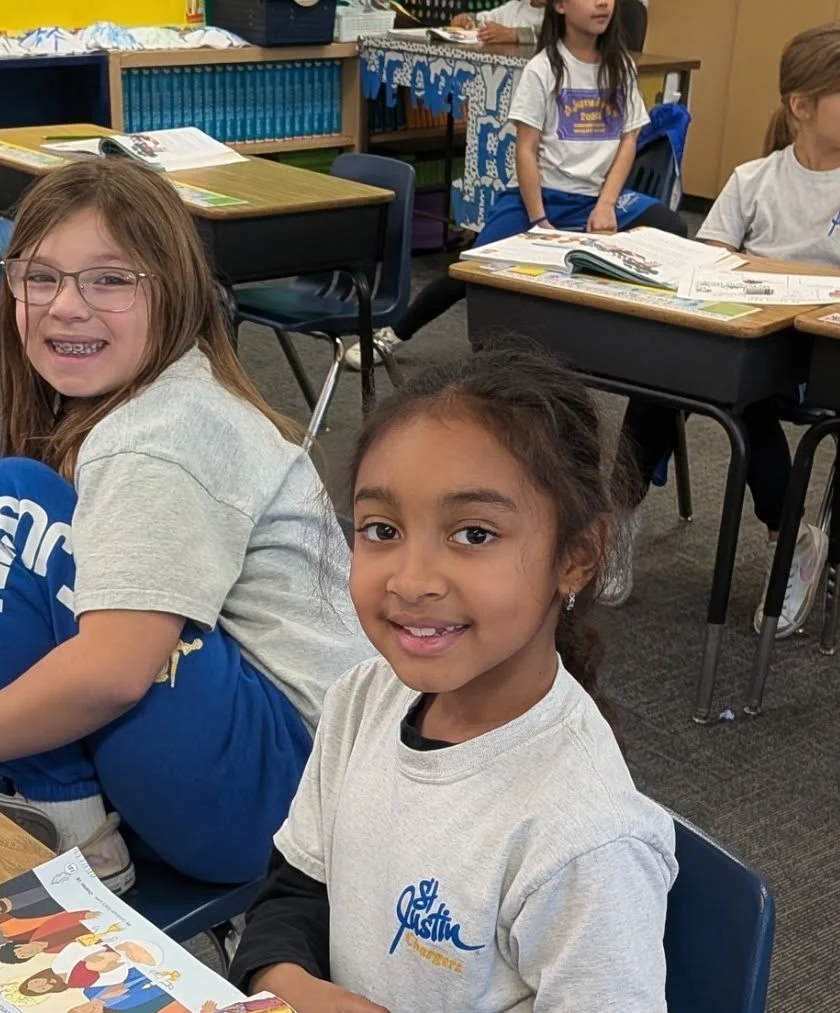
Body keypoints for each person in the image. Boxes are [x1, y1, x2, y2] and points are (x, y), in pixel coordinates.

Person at [228, 346, 675, 1013]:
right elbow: (296, 882)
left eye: (474, 534)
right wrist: (282, 980)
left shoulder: (582, 832)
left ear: (575, 558)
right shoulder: (365, 697)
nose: (412, 578)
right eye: (380, 529)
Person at [0, 157, 366, 894]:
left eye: (110, 280)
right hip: (257, 770)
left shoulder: (158, 435)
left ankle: (71, 827)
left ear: (171, 292)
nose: (66, 306)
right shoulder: (153, 400)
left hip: (280, 802)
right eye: (39, 276)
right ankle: (47, 786)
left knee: (3, 506)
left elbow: (111, 673)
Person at [614, 22, 840, 630]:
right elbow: (704, 263)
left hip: (818, 359)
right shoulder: (755, 179)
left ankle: (789, 541)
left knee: (745, 398)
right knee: (667, 366)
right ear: (802, 106)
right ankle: (618, 514)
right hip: (748, 342)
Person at [346, 0, 686, 372]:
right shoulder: (543, 69)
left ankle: (644, 346)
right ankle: (392, 334)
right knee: (471, 267)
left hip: (598, 198)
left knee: (672, 227)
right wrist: (539, 220)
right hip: (538, 197)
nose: (603, 2)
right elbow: (524, 149)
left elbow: (628, 141)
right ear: (560, 6)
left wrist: (606, 204)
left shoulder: (619, 65)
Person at [449, 0, 546, 47]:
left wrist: (514, 35)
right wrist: (467, 20)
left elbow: (554, 34)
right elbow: (484, 20)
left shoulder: (559, 16)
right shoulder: (514, 8)